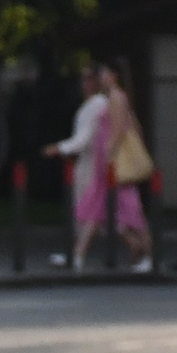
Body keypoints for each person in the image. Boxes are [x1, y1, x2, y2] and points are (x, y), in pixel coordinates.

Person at [43, 65, 108, 269]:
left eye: (90, 79)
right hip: (87, 161)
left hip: (93, 162)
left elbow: (84, 138)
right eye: (83, 80)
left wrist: (60, 148)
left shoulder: (97, 104)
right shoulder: (91, 104)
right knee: (88, 210)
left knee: (90, 209)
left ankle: (78, 255)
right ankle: (77, 253)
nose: (85, 84)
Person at [98, 61, 154, 273]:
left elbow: (119, 129)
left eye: (104, 72)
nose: (101, 77)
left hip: (119, 161)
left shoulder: (116, 97)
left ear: (113, 75)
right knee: (120, 210)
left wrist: (109, 156)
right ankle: (137, 250)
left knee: (130, 209)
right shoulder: (117, 97)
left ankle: (146, 252)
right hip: (118, 160)